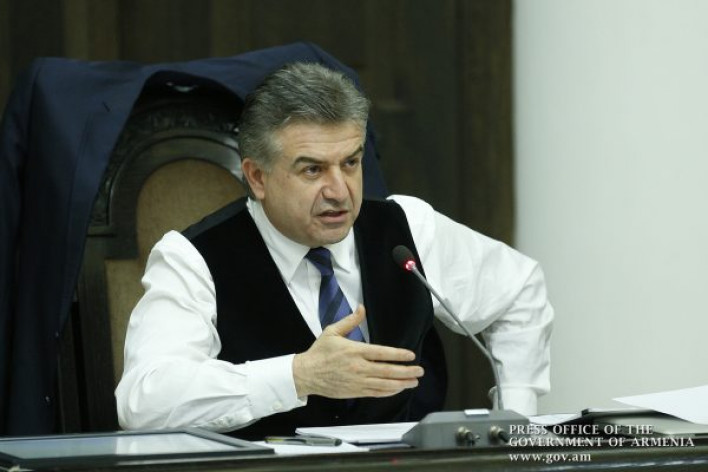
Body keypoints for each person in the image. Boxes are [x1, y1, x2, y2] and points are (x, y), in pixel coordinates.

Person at [115, 62, 553, 439]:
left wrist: (513, 422)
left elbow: (518, 292)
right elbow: (144, 402)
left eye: (351, 163)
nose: (340, 191)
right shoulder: (192, 259)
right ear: (258, 177)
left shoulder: (406, 229)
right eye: (313, 170)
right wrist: (298, 376)